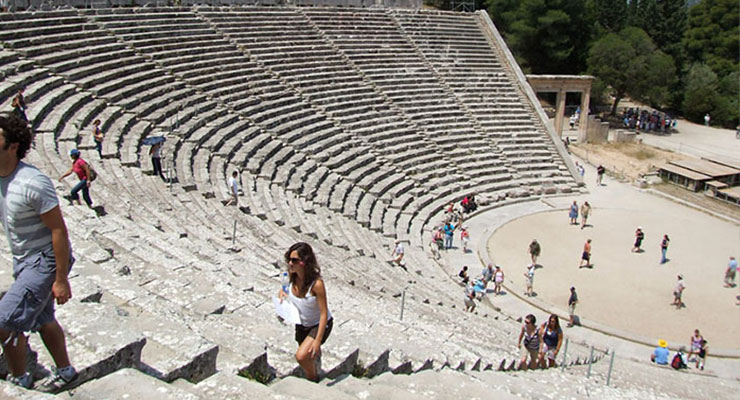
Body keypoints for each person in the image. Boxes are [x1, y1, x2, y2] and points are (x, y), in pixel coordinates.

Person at [0, 114, 78, 392]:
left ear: (12, 146)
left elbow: (58, 230)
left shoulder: (33, 183)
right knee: (44, 319)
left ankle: (19, 379)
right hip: (23, 259)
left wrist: (60, 279)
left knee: (4, 320)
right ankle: (66, 371)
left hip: (44, 260)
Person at [276, 242, 332, 382]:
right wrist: (283, 291)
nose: (290, 263)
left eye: (294, 260)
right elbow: (284, 284)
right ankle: (314, 362)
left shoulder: (317, 284)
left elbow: (324, 313)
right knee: (305, 353)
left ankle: (313, 379)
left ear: (305, 262)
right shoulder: (290, 275)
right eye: (289, 259)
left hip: (318, 324)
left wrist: (318, 341)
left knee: (301, 356)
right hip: (301, 323)